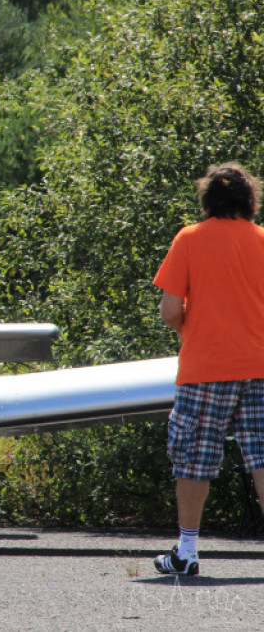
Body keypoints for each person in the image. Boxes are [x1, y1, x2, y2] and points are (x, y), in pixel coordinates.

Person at [152, 161, 264, 576]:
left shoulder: (190, 239)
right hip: (261, 365)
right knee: (262, 458)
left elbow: (169, 311)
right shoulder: (263, 241)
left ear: (208, 199)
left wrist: (191, 330)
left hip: (206, 367)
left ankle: (187, 552)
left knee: (194, 459)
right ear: (250, 200)